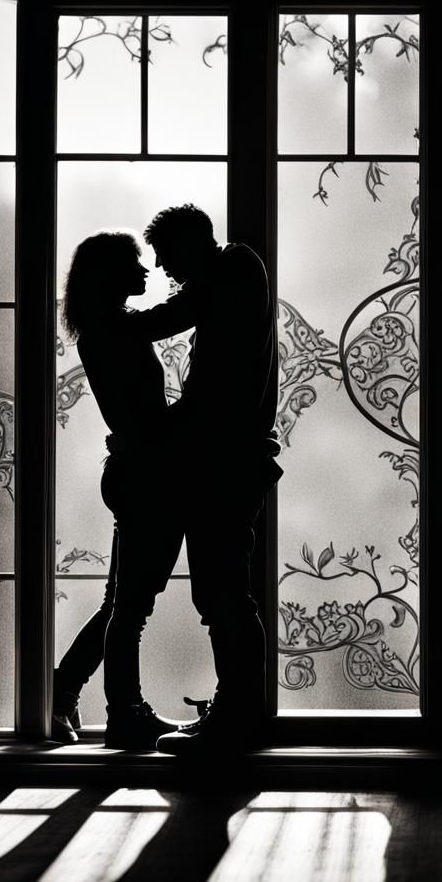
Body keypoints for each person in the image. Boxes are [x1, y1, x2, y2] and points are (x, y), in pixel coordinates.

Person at [117, 204, 282, 755]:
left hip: (226, 464)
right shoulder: (238, 272)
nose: (162, 269)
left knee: (223, 595)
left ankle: (236, 721)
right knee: (224, 593)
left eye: (166, 257)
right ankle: (237, 714)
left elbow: (167, 317)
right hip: (230, 460)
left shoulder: (229, 270)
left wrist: (103, 318)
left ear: (191, 245)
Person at [52, 231, 193, 750]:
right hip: (145, 477)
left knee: (124, 602)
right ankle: (122, 713)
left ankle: (71, 691)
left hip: (136, 472)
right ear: (108, 275)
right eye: (135, 263)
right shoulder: (116, 329)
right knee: (132, 605)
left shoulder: (104, 329)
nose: (147, 271)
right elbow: (174, 318)